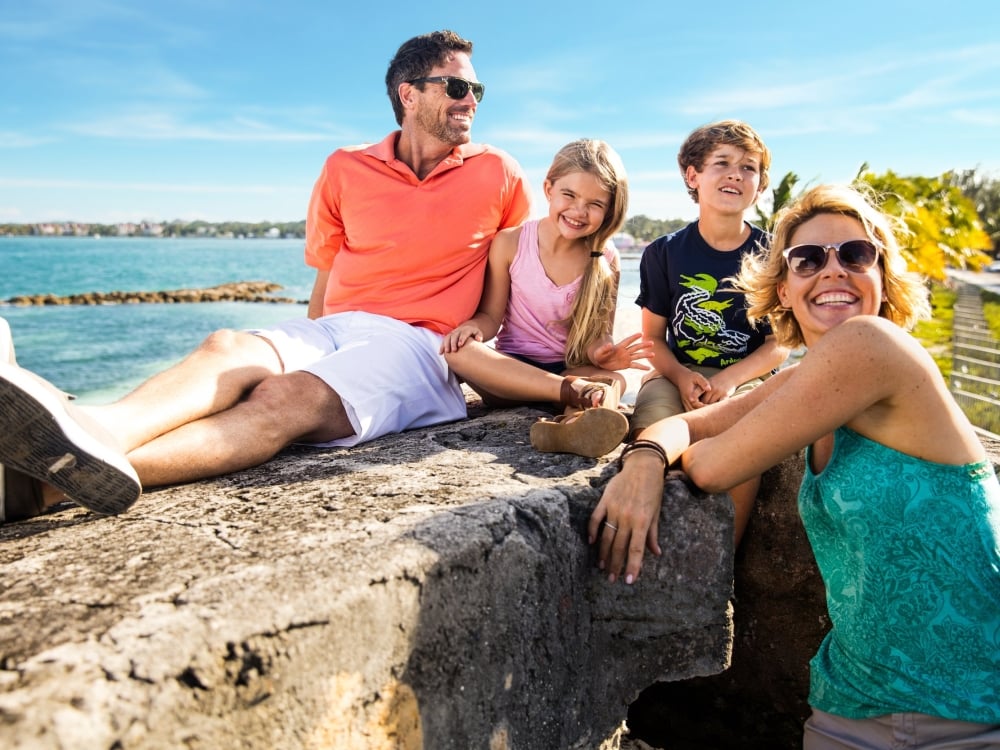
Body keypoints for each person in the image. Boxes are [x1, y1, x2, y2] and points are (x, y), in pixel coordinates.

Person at [0, 29, 533, 523]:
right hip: (335, 326)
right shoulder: (345, 166)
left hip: (423, 344)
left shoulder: (499, 171)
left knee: (286, 400)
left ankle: (49, 486)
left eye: (477, 89)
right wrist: (316, 343)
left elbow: (523, 270)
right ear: (408, 94)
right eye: (458, 86)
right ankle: (92, 433)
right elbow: (327, 269)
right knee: (225, 346)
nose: (471, 101)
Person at [590, 184, 1000, 748]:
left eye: (855, 254)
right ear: (783, 288)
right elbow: (684, 427)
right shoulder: (801, 379)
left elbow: (709, 465)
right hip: (850, 701)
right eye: (807, 259)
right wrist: (643, 458)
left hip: (967, 708)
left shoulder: (871, 344)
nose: (832, 270)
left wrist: (666, 453)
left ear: (882, 277)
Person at [439, 138, 652, 458]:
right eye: (569, 195)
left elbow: (597, 337)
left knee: (614, 379)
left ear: (609, 210)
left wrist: (604, 355)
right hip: (512, 376)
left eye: (595, 203)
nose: (579, 211)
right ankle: (573, 396)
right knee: (458, 352)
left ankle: (576, 426)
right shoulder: (510, 243)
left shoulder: (606, 258)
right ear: (548, 188)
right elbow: (491, 318)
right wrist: (474, 328)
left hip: (571, 370)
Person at [629, 120, 788, 542]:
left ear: (760, 184)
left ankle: (724, 568)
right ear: (692, 175)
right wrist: (681, 377)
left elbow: (779, 345)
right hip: (675, 374)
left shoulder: (773, 254)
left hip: (748, 378)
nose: (736, 173)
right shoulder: (663, 253)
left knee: (741, 451)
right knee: (650, 435)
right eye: (722, 163)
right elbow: (652, 341)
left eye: (748, 167)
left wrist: (732, 381)